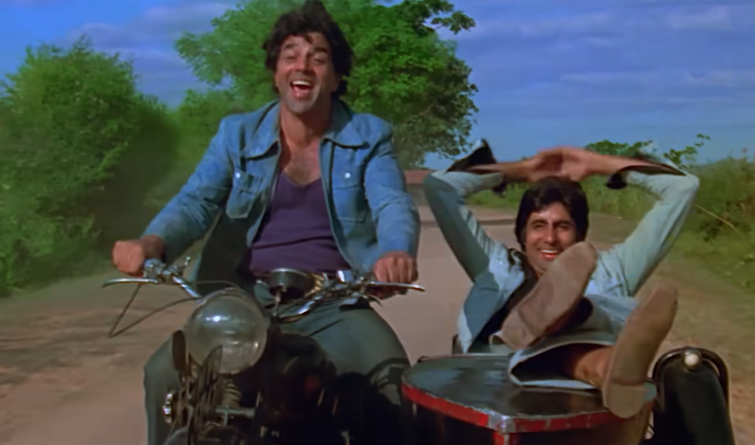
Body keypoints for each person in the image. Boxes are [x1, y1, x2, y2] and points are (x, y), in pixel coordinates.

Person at [111, 2, 420, 444]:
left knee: (391, 383)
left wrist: (395, 251)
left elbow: (392, 202)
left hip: (333, 302)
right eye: (291, 56)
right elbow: (196, 201)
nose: (303, 66)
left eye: (318, 58)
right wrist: (152, 243)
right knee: (164, 375)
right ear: (276, 73)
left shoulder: (369, 135)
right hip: (244, 299)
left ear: (336, 78)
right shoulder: (236, 134)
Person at [423, 139, 699, 419]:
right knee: (585, 345)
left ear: (580, 234)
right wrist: (521, 170)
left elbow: (682, 188)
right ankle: (592, 350)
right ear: (522, 234)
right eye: (538, 225)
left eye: (563, 226)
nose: (550, 238)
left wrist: (597, 164)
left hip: (573, 397)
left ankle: (593, 351)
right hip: (494, 385)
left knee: (582, 344)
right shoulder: (494, 266)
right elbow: (439, 187)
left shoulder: (609, 271)